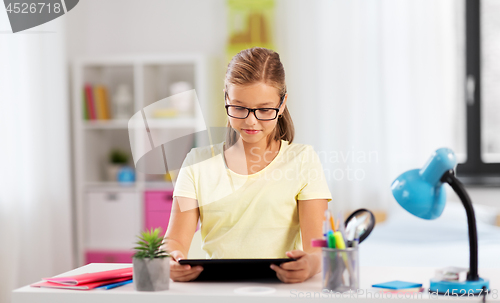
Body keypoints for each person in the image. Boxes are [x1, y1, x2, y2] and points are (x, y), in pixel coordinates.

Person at [163, 47, 332, 283]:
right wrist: (170, 259)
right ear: (226, 99)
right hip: (216, 289)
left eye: (264, 109)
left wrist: (312, 264)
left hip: (280, 290)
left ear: (282, 104)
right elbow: (174, 241)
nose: (251, 120)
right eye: (240, 108)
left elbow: (319, 247)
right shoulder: (197, 162)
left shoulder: (303, 159)